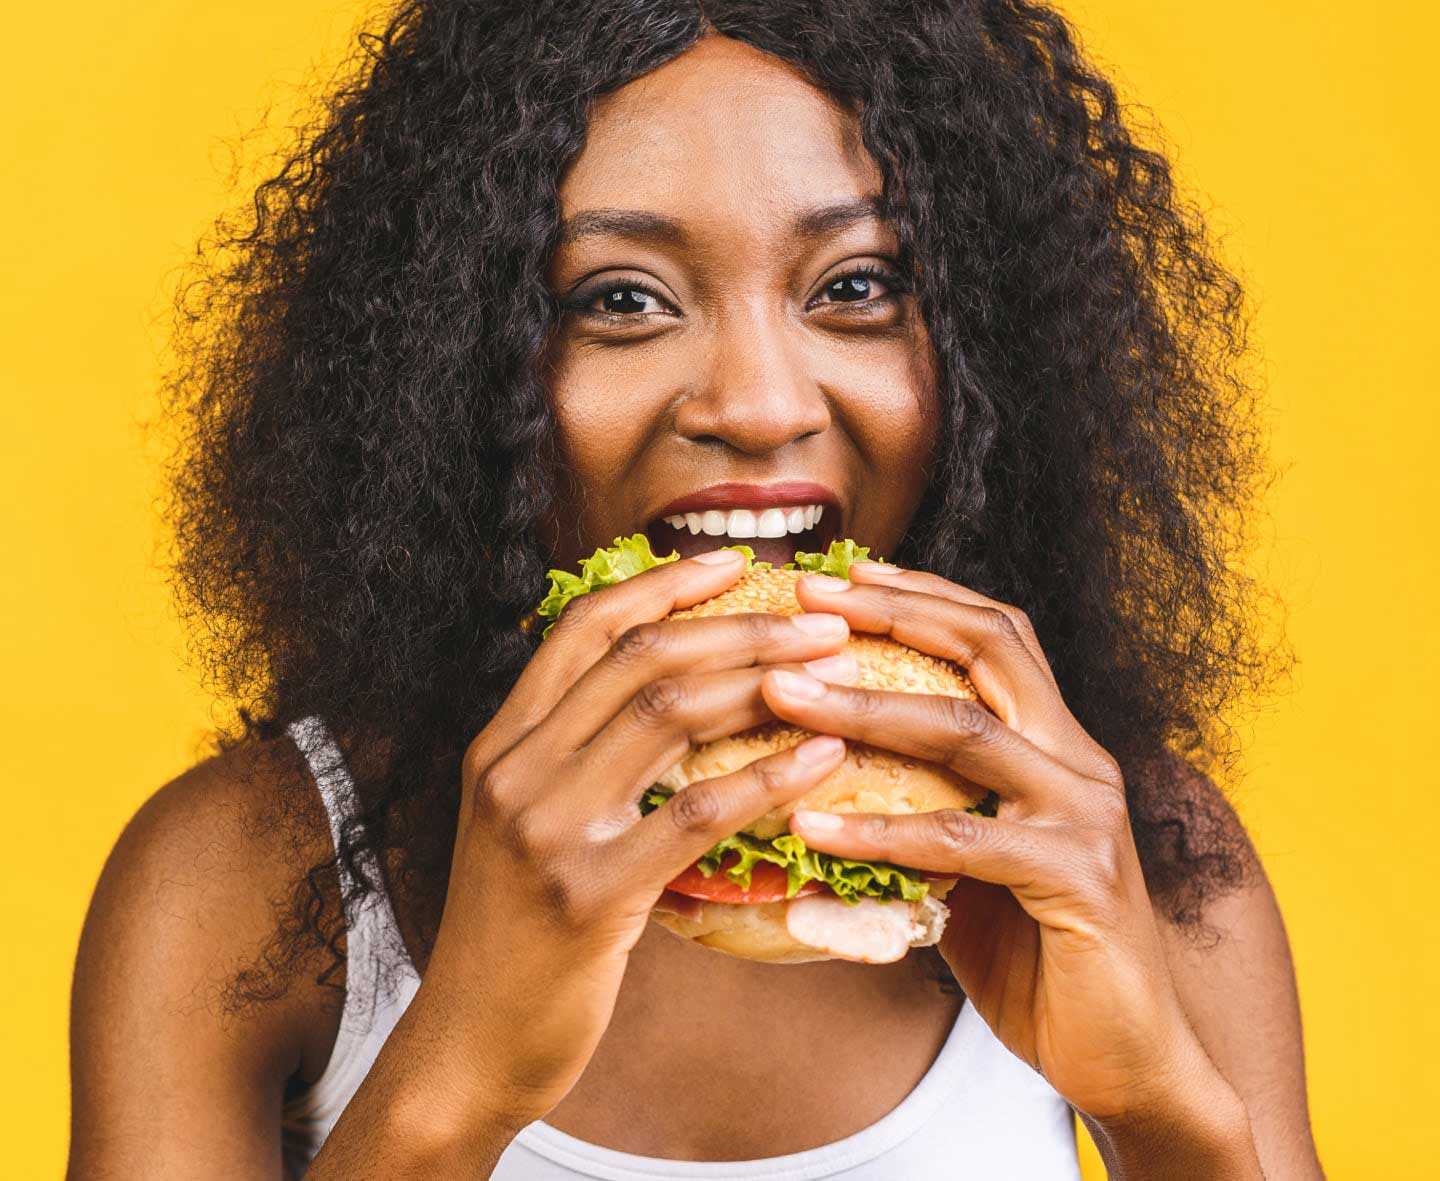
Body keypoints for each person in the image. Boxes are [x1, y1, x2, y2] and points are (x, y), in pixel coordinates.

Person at [68, 2, 1323, 1177]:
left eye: (856, 285)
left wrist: (1166, 1110)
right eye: (621, 299)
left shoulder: (1125, 850)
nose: (762, 406)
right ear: (450, 371)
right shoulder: (250, 871)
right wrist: (454, 1075)